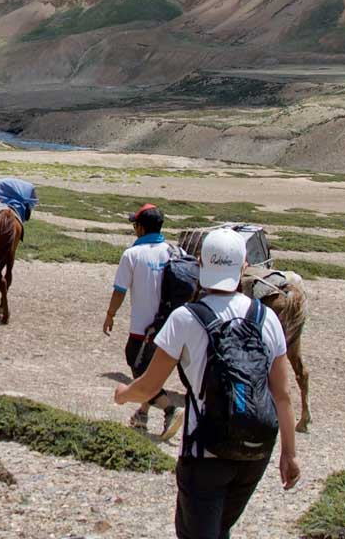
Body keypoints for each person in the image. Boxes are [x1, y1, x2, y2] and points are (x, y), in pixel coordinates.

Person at [115, 228, 300, 538]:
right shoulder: (266, 318)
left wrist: (123, 395)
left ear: (199, 263)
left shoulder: (185, 318)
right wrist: (289, 454)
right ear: (243, 266)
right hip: (256, 451)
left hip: (205, 452)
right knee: (220, 528)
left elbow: (148, 386)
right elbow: (282, 396)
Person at [103, 203, 182, 438]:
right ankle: (141, 415)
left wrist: (110, 314)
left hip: (142, 328)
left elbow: (120, 290)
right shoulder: (174, 252)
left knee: (139, 370)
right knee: (152, 371)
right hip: (172, 326)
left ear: (140, 228)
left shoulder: (132, 254)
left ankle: (170, 409)